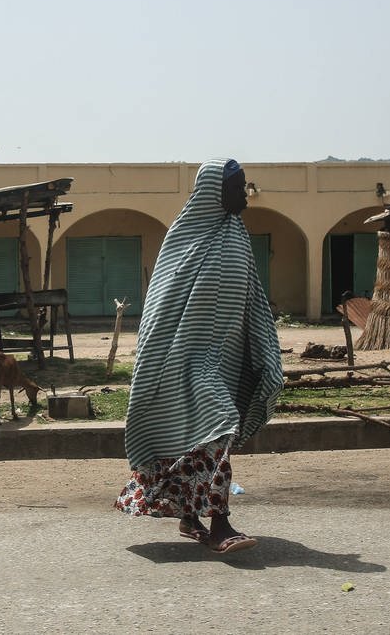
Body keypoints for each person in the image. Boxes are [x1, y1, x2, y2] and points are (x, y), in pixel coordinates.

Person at [115, 159, 285, 555]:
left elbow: (252, 300)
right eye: (238, 185)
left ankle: (190, 517)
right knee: (220, 427)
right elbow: (162, 303)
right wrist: (152, 363)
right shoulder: (184, 236)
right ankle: (220, 525)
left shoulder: (238, 236)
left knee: (197, 441)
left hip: (221, 361)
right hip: (181, 362)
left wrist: (264, 352)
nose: (244, 192)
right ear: (214, 189)